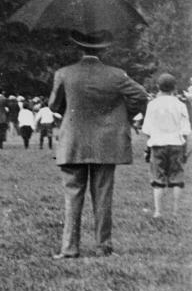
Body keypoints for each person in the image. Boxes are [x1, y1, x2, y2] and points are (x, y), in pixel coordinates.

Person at [49, 30, 148, 259]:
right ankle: (103, 247)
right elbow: (141, 95)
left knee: (73, 195)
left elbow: (54, 106)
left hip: (73, 141)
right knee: (103, 196)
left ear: (79, 48)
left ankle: (69, 248)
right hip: (106, 142)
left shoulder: (64, 73)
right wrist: (122, 115)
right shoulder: (116, 74)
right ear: (103, 49)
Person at [140, 72, 190, 220]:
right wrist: (185, 151)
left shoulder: (153, 104)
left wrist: (147, 148)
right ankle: (175, 212)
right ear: (174, 87)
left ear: (158, 87)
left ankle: (158, 212)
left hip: (158, 144)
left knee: (158, 178)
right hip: (176, 144)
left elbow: (147, 130)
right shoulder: (180, 105)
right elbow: (185, 130)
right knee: (176, 177)